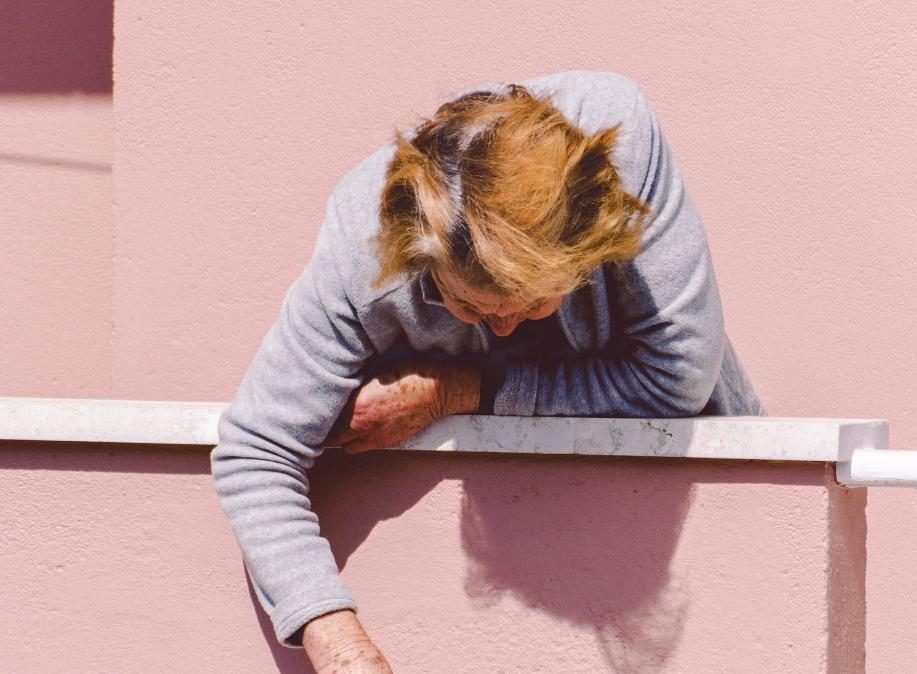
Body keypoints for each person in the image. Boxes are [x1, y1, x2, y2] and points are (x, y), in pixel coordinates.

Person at [210, 69, 764, 672]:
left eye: (535, 306)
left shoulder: (620, 148)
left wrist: (463, 388)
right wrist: (341, 648)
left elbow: (677, 378)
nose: (504, 331)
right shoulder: (359, 246)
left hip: (703, 526)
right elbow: (257, 452)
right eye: (471, 307)